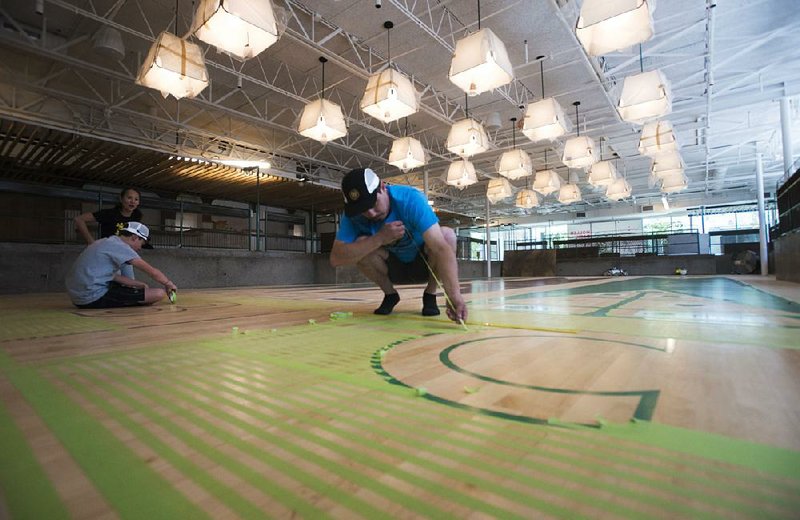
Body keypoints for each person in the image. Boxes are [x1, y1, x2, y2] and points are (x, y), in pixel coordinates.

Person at [330, 168, 467, 323]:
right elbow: (336, 258)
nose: (371, 213)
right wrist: (379, 238)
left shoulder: (410, 199)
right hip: (391, 269)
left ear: (382, 187)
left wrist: (453, 296)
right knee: (361, 243)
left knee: (447, 235)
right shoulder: (353, 216)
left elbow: (441, 249)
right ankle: (390, 294)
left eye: (373, 203)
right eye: (363, 209)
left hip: (424, 265)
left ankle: (430, 293)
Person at [66, 222, 177, 308]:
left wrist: (139, 284)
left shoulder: (105, 242)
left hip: (78, 297)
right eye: (141, 244)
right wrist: (168, 283)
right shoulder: (121, 247)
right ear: (134, 237)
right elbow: (152, 271)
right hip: (92, 297)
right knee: (158, 294)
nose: (139, 248)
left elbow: (113, 276)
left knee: (143, 291)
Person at [74, 187, 144, 244]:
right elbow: (79, 219)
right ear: (121, 199)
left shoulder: (137, 216)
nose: (133, 201)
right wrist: (91, 241)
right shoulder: (109, 213)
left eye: (136, 199)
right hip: (107, 251)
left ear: (138, 202)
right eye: (129, 198)